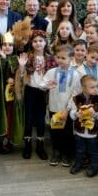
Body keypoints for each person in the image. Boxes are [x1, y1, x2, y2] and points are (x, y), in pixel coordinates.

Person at [15, 30, 56, 160]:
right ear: (31, 43)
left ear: (45, 42)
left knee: (40, 120)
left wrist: (48, 85)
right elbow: (21, 76)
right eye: (35, 41)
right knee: (28, 119)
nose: (38, 43)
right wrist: (21, 67)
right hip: (31, 91)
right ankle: (27, 145)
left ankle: (40, 145)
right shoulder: (27, 57)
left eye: (41, 41)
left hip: (43, 92)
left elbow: (53, 76)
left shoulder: (50, 58)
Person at [41, 44, 81, 167]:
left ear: (71, 59)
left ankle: (67, 153)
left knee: (67, 132)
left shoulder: (75, 74)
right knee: (55, 131)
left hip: (67, 110)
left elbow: (75, 93)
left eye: (63, 58)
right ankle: (56, 151)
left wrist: (67, 109)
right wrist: (47, 85)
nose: (60, 60)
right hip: (54, 108)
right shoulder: (51, 72)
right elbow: (41, 85)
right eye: (58, 57)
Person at [0, 31, 22, 154]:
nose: (7, 47)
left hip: (12, 98)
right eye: (5, 45)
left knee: (10, 118)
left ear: (14, 47)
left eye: (10, 45)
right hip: (0, 97)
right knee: (0, 118)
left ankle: (9, 141)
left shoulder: (16, 60)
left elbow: (15, 70)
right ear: (0, 46)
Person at [69, 75, 98, 177]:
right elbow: (72, 112)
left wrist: (96, 115)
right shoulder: (76, 99)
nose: (95, 89)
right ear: (83, 88)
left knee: (93, 151)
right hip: (79, 131)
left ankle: (94, 167)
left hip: (93, 133)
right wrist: (76, 114)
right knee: (80, 150)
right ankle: (78, 164)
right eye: (92, 87)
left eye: (96, 86)